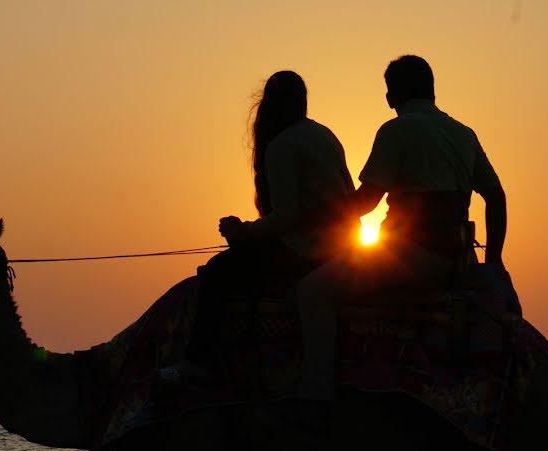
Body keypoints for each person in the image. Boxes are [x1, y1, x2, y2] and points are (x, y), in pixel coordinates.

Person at [298, 54, 509, 385]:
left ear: (391, 95)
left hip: (411, 257)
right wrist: (493, 261)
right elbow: (496, 197)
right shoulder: (463, 133)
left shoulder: (396, 130)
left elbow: (366, 202)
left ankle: (315, 392)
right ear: (432, 90)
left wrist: (312, 217)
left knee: (313, 290)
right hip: (459, 261)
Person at [175, 70, 358, 379]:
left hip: (308, 250)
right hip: (343, 246)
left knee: (218, 271)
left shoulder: (283, 145)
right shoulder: (324, 134)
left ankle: (199, 362)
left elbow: (287, 217)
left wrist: (244, 231)